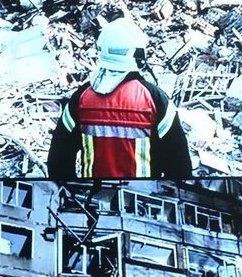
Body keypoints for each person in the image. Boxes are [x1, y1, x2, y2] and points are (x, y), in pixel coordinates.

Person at [47, 17, 192, 179]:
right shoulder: (155, 98)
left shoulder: (81, 97)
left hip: (94, 192)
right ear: (137, 53)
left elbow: (58, 160)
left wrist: (76, 189)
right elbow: (180, 165)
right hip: (142, 193)